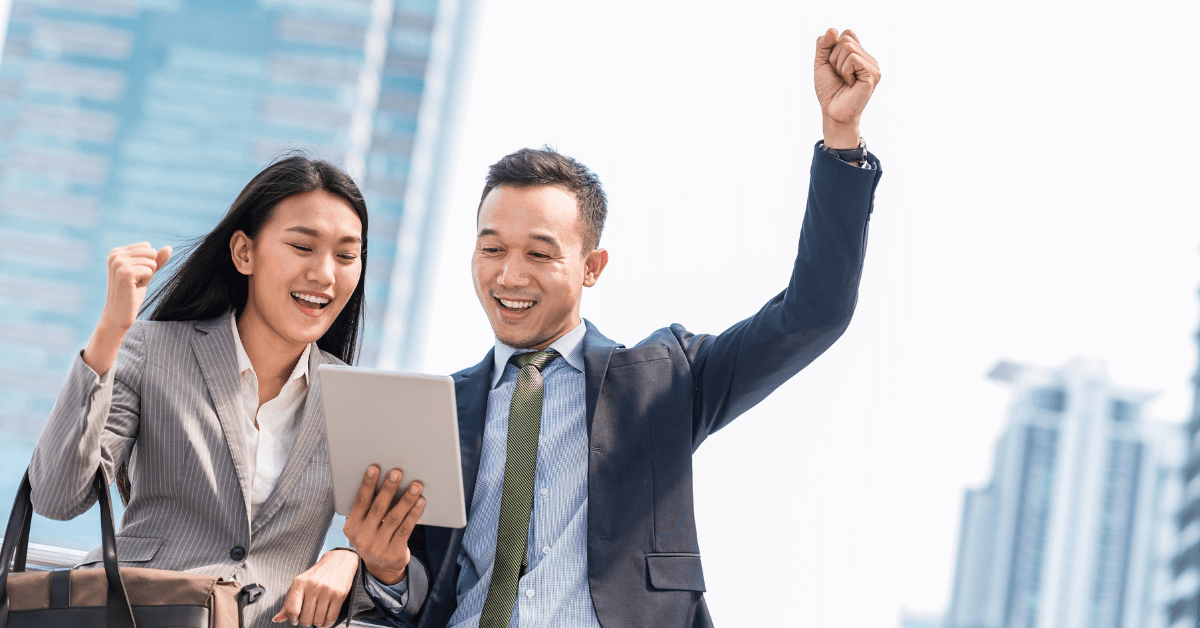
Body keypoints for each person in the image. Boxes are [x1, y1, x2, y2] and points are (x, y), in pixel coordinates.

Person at [344, 28, 882, 627]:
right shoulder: (435, 414)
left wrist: (841, 138)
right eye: (491, 248)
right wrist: (385, 567)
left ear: (592, 267)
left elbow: (814, 314)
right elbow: (410, 598)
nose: (509, 275)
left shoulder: (663, 380)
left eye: (540, 255)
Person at [29, 156, 375, 628]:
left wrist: (348, 558)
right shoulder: (154, 350)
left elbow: (400, 551)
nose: (325, 274)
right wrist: (111, 332)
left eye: (346, 255)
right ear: (243, 253)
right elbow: (55, 496)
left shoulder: (355, 401)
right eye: (302, 246)